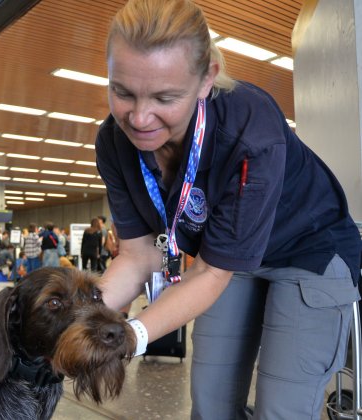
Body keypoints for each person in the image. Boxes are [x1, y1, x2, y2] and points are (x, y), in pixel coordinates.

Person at [96, 1, 361, 419]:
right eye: (122, 92)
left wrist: (130, 336)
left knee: (282, 409)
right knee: (211, 405)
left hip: (308, 253)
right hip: (225, 261)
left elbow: (209, 274)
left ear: (206, 80)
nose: (140, 117)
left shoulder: (251, 128)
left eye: (165, 97)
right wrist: (82, 319)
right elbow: (137, 255)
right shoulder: (113, 142)